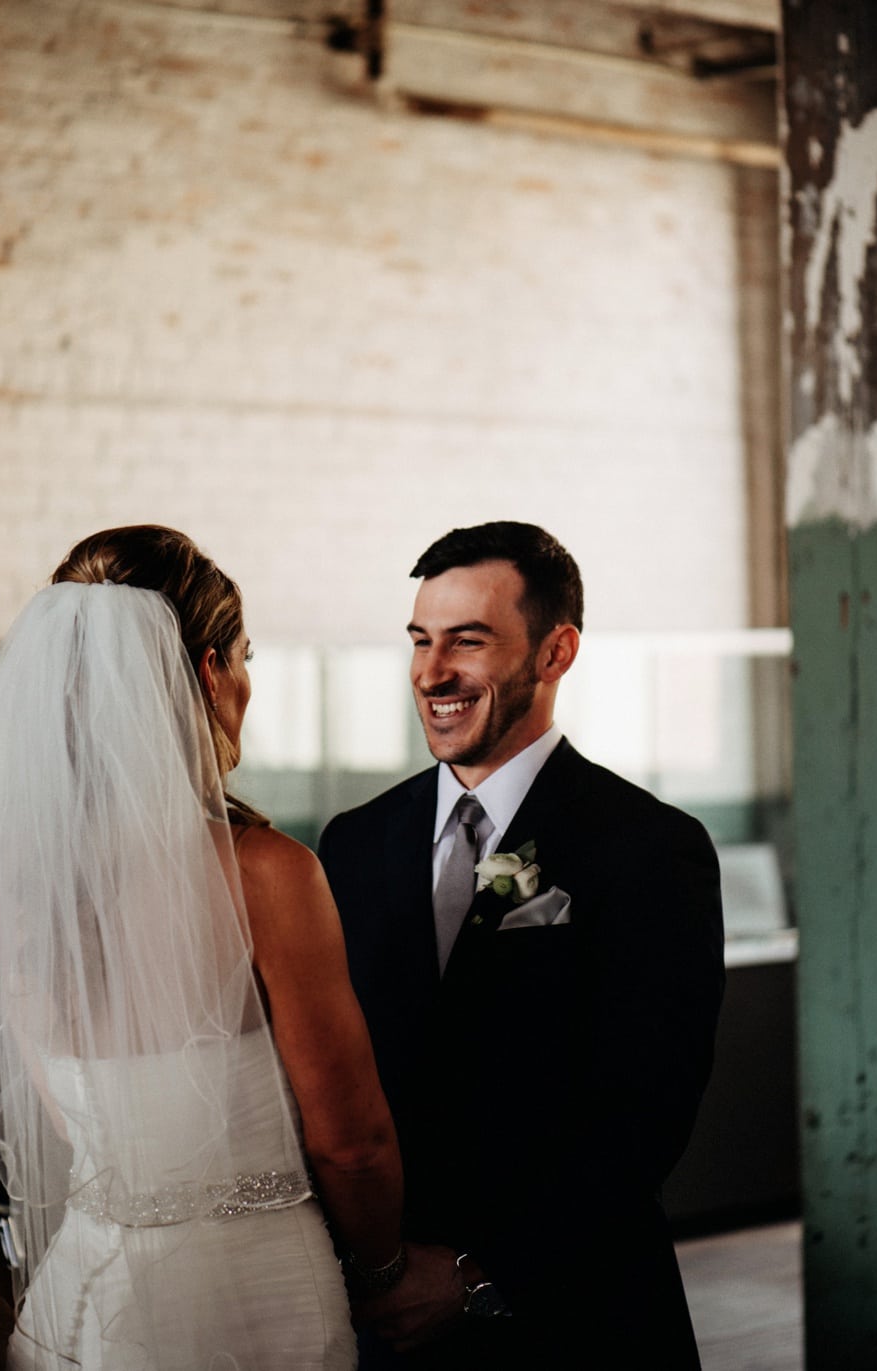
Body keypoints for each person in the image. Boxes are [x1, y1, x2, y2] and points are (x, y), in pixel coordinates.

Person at [0, 525, 406, 1370]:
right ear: (210, 673)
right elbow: (350, 1140)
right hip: (258, 1301)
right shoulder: (267, 875)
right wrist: (385, 1273)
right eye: (244, 656)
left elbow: (66, 1120)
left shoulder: (20, 886)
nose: (248, 681)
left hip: (80, 1304)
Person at [319, 521, 725, 1369]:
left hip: (576, 1317)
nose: (431, 673)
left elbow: (648, 1111)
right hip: (383, 1324)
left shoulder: (651, 846)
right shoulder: (353, 842)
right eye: (421, 641)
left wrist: (477, 1273)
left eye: (467, 641)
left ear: (555, 652)